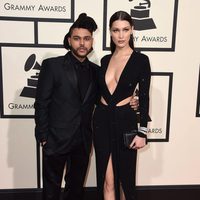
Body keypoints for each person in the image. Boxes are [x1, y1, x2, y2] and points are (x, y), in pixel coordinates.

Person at [34, 13, 99, 200]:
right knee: (51, 190)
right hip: (55, 139)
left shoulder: (97, 72)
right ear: (69, 40)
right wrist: (43, 136)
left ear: (92, 41)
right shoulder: (52, 66)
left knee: (76, 189)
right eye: (77, 38)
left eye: (86, 39)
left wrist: (132, 102)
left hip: (83, 141)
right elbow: (41, 103)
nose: (82, 44)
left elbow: (105, 102)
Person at [93, 10, 151, 200]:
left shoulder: (141, 60)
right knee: (107, 179)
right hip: (101, 121)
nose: (121, 35)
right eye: (116, 30)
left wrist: (142, 132)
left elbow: (144, 96)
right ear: (110, 32)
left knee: (125, 181)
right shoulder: (104, 60)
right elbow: (98, 93)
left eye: (125, 30)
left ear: (132, 30)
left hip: (125, 121)